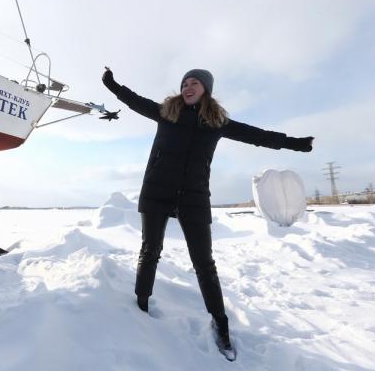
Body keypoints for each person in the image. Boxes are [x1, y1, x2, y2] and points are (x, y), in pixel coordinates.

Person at [101, 67, 313, 360]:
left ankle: (221, 322)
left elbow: (256, 135)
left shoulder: (216, 122)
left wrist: (293, 143)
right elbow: (135, 101)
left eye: (195, 83)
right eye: (185, 83)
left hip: (194, 197)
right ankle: (141, 305)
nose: (188, 87)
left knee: (204, 262)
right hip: (157, 191)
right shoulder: (166, 112)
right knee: (150, 250)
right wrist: (112, 85)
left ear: (206, 90)